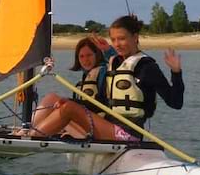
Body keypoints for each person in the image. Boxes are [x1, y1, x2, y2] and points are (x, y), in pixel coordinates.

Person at [19, 15, 184, 141]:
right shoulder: (115, 64)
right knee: (54, 100)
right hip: (109, 125)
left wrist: (176, 72)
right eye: (114, 39)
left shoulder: (147, 67)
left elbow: (175, 102)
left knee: (68, 108)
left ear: (135, 37)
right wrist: (72, 101)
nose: (118, 44)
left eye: (122, 38)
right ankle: (27, 131)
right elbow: (101, 103)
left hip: (128, 134)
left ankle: (33, 138)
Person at [32, 37, 110, 138]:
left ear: (97, 55)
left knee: (52, 98)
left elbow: (100, 104)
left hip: (99, 128)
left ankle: (30, 133)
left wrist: (70, 103)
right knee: (58, 107)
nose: (85, 60)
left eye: (89, 55)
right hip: (88, 125)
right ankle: (33, 130)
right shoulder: (87, 75)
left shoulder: (104, 72)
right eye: (81, 56)